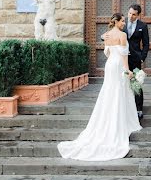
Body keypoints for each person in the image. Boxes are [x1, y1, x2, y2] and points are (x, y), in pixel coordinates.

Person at [57, 13, 141, 161]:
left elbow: (108, 54)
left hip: (109, 66)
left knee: (109, 91)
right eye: (122, 21)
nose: (123, 23)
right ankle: (120, 123)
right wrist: (128, 71)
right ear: (116, 22)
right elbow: (124, 56)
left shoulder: (107, 35)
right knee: (119, 92)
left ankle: (107, 118)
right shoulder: (122, 35)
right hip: (119, 65)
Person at [124, 4, 149, 121]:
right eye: (129, 13)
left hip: (135, 59)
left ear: (138, 15)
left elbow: (146, 44)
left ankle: (139, 109)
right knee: (122, 82)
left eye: (134, 14)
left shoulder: (142, 26)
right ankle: (123, 108)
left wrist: (142, 57)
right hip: (122, 59)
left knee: (136, 84)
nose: (131, 16)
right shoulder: (122, 23)